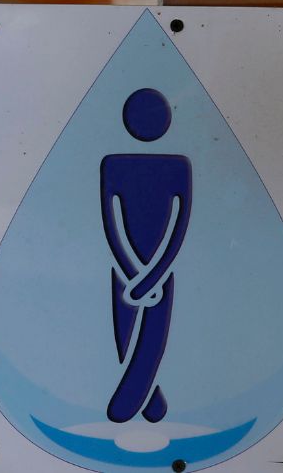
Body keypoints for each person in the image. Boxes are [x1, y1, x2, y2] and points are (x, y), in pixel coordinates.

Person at [100, 88, 191, 423]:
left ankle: (131, 403)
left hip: (150, 272)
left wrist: (150, 274)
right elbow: (112, 222)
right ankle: (149, 401)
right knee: (130, 332)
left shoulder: (177, 167)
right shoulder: (115, 165)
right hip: (132, 271)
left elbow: (179, 223)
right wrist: (137, 274)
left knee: (153, 332)